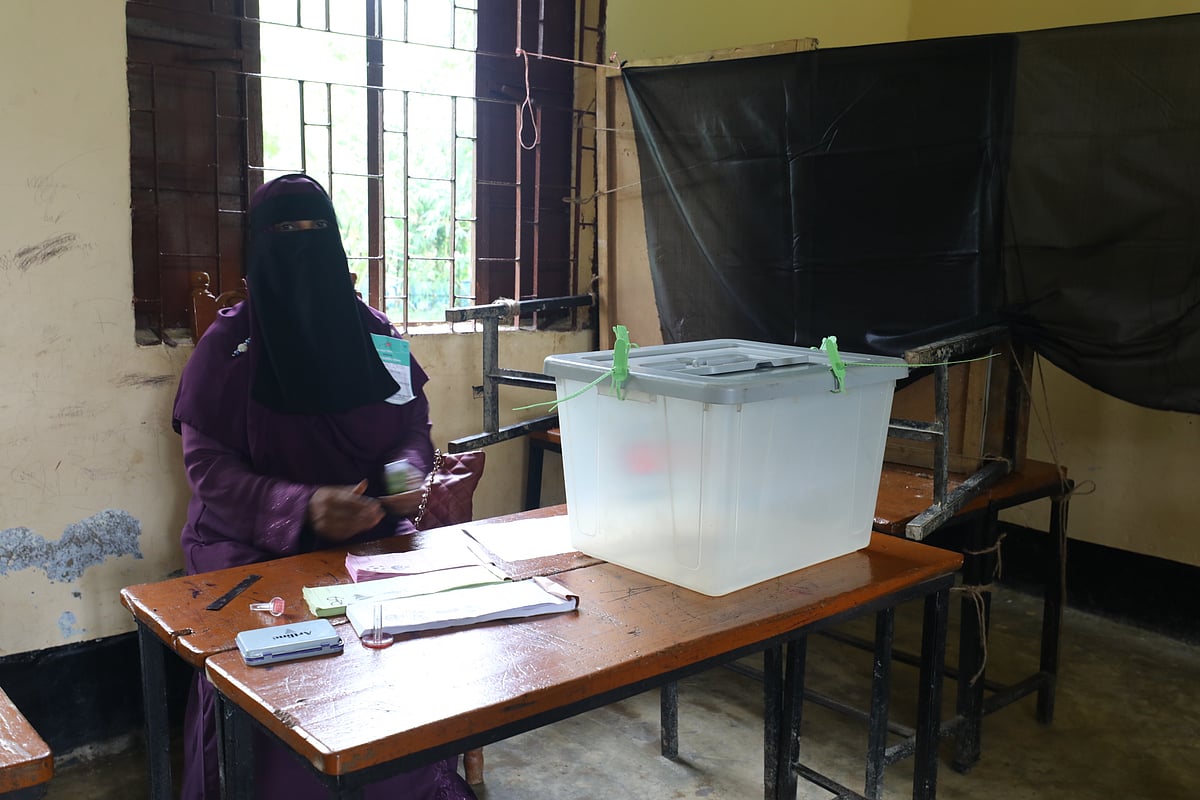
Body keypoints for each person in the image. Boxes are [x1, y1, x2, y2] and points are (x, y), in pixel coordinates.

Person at [171, 173, 477, 800]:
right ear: (256, 249)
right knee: (276, 666)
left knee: (412, 642)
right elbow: (209, 472)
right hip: (254, 543)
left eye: (316, 232)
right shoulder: (229, 347)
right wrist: (303, 506)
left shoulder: (378, 336)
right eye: (285, 235)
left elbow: (411, 432)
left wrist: (397, 487)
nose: (302, 248)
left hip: (373, 533)